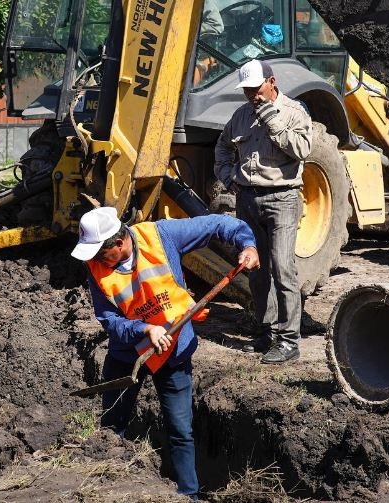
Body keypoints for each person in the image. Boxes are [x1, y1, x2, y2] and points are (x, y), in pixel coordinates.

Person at [72, 207, 259, 499]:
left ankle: (189, 495)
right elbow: (110, 320)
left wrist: (247, 244)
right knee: (111, 428)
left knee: (180, 431)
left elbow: (218, 224)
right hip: (128, 355)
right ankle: (106, 489)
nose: (95, 259)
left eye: (99, 252)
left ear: (118, 243)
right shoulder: (95, 267)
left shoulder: (160, 236)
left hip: (174, 351)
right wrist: (145, 330)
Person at [213, 59, 313, 364]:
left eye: (256, 88)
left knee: (283, 266)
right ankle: (267, 333)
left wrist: (272, 119)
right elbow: (222, 148)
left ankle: (289, 340)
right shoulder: (240, 116)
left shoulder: (294, 112)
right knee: (256, 270)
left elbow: (302, 150)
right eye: (246, 90)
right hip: (248, 200)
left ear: (271, 82)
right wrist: (229, 178)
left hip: (282, 198)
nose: (251, 95)